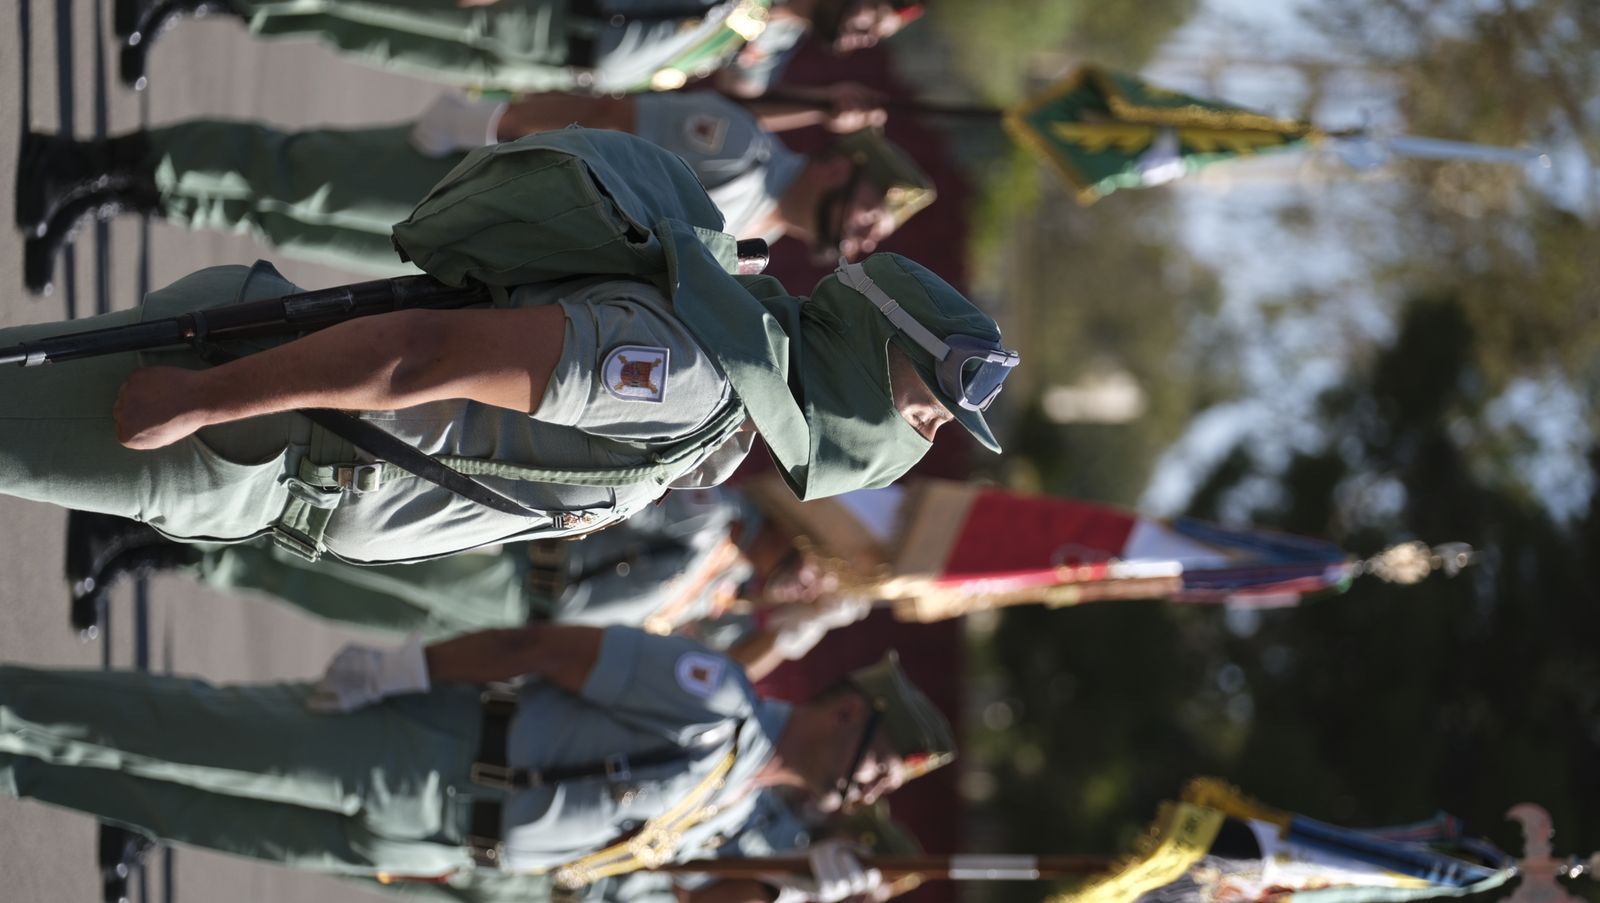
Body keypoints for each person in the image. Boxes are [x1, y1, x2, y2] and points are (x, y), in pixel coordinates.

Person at [0, 127, 1017, 566]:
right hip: (247, 425)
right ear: (871, 349)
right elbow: (418, 358)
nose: (923, 435)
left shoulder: (724, 387)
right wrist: (204, 407)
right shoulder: (695, 375)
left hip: (270, 442)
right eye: (926, 406)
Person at [0, 630, 953, 899]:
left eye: (885, 788)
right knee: (190, 731)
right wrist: (405, 667)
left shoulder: (730, 816)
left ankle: (20, 772)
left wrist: (793, 894)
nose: (871, 788)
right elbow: (551, 651)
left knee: (190, 815)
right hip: (432, 751)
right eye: (879, 761)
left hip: (442, 848)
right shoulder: (716, 699)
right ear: (842, 708)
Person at [16, 88, 931, 293]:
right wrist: (496, 122)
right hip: (488, 171)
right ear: (846, 167)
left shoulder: (750, 248)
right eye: (873, 207)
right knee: (295, 169)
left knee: (276, 210)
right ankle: (86, 160)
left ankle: (108, 197)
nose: (865, 229)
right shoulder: (738, 148)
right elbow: (607, 109)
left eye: (875, 232)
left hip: (494, 232)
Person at [64, 489, 870, 681]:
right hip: (514, 561)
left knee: (325, 593)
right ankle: (145, 521)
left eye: (811, 592)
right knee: (325, 545)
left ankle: (158, 552)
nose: (801, 585)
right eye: (811, 568)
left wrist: (799, 634)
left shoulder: (728, 600)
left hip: (514, 610)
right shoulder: (715, 512)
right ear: (799, 528)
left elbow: (720, 673)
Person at [114, 0, 925, 94]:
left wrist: (823, 108)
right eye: (870, 16)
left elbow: (742, 94)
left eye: (872, 38)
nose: (859, 36)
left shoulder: (771, 38)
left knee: (354, 31)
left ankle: (209, 9)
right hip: (545, 15)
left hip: (546, 65)